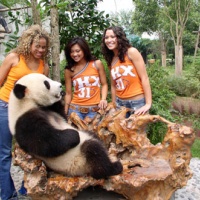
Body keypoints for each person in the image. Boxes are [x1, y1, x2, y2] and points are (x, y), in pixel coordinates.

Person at [0, 24, 50, 200]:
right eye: (37, 46)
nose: (40, 50)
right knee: (4, 153)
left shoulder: (43, 66)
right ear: (29, 43)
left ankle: (25, 188)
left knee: (32, 150)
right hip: (5, 106)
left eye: (43, 47)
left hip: (26, 112)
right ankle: (8, 194)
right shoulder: (14, 58)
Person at [101, 26, 152, 116]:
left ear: (120, 38)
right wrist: (114, 105)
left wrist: (148, 104)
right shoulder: (111, 59)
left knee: (137, 130)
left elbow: (144, 78)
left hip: (137, 103)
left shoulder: (131, 52)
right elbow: (113, 85)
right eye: (106, 37)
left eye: (113, 37)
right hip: (120, 104)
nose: (109, 40)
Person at [64, 36, 108, 121]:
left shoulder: (97, 64)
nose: (75, 54)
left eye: (78, 51)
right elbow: (68, 93)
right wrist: (65, 112)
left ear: (84, 50)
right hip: (75, 110)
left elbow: (104, 84)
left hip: (94, 110)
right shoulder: (69, 70)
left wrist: (103, 99)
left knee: (94, 134)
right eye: (72, 52)